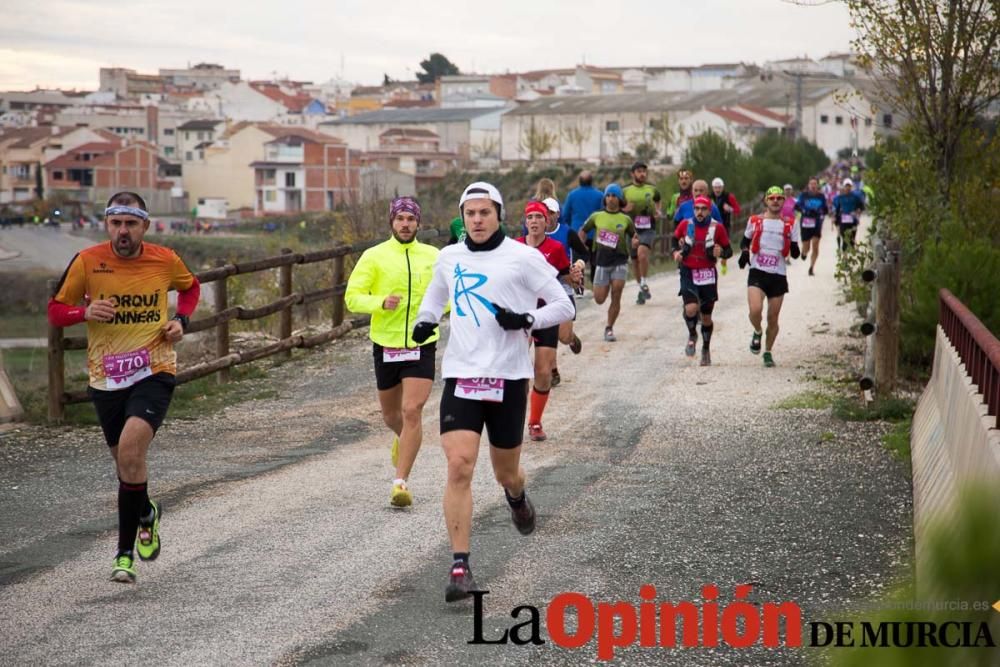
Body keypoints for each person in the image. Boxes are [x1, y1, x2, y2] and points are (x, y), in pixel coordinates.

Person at [411, 182, 574, 602]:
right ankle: (460, 565)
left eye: (485, 212)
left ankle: (516, 496)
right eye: (471, 213)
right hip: (463, 376)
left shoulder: (523, 257)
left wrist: (526, 318)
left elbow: (563, 305)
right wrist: (427, 318)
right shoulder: (450, 257)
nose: (477, 220)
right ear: (462, 216)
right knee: (459, 465)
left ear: (500, 214)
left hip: (507, 378)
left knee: (506, 472)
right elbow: (436, 293)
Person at [47, 191, 201, 583]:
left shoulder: (165, 259)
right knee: (125, 465)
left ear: (144, 226)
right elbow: (55, 310)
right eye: (116, 223)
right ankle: (146, 511)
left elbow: (191, 287)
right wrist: (84, 311)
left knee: (133, 448)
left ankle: (123, 555)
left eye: (131, 223)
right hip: (106, 377)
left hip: (155, 369)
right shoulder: (88, 261)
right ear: (107, 225)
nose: (123, 231)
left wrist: (181, 320)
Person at [344, 196, 439, 508]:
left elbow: (449, 293)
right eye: (400, 219)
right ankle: (405, 439)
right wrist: (379, 302)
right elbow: (353, 297)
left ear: (418, 223)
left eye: (411, 219)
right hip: (386, 343)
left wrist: (434, 314)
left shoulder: (433, 256)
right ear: (392, 222)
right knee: (390, 415)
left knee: (412, 410)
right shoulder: (374, 256)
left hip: (421, 343)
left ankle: (400, 483)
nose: (406, 224)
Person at [516, 201, 583, 441]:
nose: (534, 221)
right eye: (530, 217)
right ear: (525, 222)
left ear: (547, 222)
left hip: (546, 315)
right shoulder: (514, 247)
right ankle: (515, 419)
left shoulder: (555, 248)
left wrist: (575, 276)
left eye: (539, 217)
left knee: (542, 372)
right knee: (518, 372)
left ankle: (534, 422)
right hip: (519, 317)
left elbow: (566, 276)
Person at [737, 186, 801, 368]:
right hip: (758, 271)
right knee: (755, 310)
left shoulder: (790, 223)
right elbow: (745, 240)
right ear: (766, 201)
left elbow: (795, 249)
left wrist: (795, 249)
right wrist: (744, 252)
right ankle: (757, 331)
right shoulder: (755, 220)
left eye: (779, 198)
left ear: (783, 201)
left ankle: (768, 351)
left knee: (773, 318)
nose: (775, 201)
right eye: (771, 198)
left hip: (778, 275)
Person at [672, 195, 732, 366]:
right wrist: (675, 252)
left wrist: (721, 253)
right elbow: (674, 239)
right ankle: (692, 333)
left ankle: (706, 348)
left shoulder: (717, 228)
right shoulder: (686, 225)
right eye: (697, 208)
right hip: (688, 270)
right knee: (691, 309)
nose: (700, 212)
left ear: (709, 211)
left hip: (707, 273)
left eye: (703, 209)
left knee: (706, 316)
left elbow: (729, 250)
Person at [580, 184, 636, 342]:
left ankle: (609, 327)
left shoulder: (625, 219)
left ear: (619, 199)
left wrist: (635, 242)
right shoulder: (596, 216)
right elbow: (583, 230)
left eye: (614, 195)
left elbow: (634, 235)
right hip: (601, 262)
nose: (611, 198)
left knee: (617, 292)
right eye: (608, 195)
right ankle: (605, 289)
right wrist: (582, 244)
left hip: (620, 259)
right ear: (605, 198)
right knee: (599, 299)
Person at [542, 197, 587, 388]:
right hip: (541, 288)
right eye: (545, 213)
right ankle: (553, 371)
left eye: (551, 213)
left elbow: (583, 253)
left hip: (563, 285)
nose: (548, 217)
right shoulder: (532, 232)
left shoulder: (567, 233)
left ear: (557, 214)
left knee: (563, 336)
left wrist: (578, 264)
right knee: (547, 332)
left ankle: (571, 338)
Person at [622, 161, 662, 305]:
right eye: (639, 171)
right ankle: (641, 289)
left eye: (644, 171)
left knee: (642, 253)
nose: (642, 174)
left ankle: (644, 281)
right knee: (634, 261)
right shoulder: (625, 191)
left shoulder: (652, 189)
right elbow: (618, 208)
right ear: (632, 174)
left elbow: (658, 201)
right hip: (631, 230)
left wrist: (657, 211)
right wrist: (625, 209)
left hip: (648, 227)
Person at [560, 171, 604, 273]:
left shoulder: (572, 195)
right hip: (595, 235)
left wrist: (569, 228)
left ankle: (579, 287)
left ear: (579, 181)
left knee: (578, 265)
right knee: (595, 265)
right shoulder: (600, 195)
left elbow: (565, 215)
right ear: (591, 181)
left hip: (577, 235)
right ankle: (596, 287)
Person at [794, 177, 829, 276]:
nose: (813, 186)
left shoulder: (821, 196)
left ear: (817, 185)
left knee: (815, 245)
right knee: (806, 246)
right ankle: (804, 253)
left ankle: (811, 267)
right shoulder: (803, 195)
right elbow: (796, 206)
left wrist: (821, 212)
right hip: (806, 222)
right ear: (808, 185)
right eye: (811, 184)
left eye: (815, 184)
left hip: (817, 223)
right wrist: (804, 210)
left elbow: (825, 209)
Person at [710, 177, 741, 275]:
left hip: (724, 226)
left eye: (719, 187)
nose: (717, 190)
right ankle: (711, 264)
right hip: (711, 225)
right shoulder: (709, 197)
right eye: (715, 188)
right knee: (711, 245)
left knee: (724, 245)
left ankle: (723, 263)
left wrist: (730, 209)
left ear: (723, 188)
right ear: (713, 188)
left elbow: (737, 210)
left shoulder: (729, 197)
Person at [832, 178, 865, 252]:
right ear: (844, 187)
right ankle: (844, 257)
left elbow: (862, 207)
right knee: (844, 238)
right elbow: (836, 208)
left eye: (849, 186)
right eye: (846, 186)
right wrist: (834, 217)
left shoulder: (856, 197)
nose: (847, 187)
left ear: (851, 187)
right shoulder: (840, 197)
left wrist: (858, 212)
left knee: (852, 238)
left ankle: (851, 250)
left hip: (853, 220)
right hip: (843, 220)